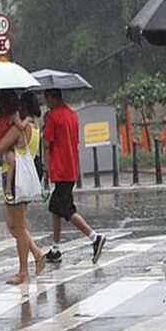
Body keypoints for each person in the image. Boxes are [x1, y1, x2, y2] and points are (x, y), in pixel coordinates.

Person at [42, 88, 106, 264]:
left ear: (50, 97)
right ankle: (55, 248)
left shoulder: (53, 116)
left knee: (67, 209)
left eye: (46, 98)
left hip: (60, 168)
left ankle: (94, 237)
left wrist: (46, 168)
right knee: (55, 207)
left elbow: (47, 143)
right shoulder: (72, 115)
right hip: (71, 167)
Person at [0, 91, 46, 285]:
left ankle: (24, 271)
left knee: (19, 226)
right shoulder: (34, 126)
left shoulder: (17, 129)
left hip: (14, 178)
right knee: (12, 224)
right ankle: (36, 253)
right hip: (24, 178)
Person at [0, 91, 27, 204]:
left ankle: (7, 189)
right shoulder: (13, 116)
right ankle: (8, 189)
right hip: (7, 148)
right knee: (12, 162)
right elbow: (21, 126)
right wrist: (28, 119)